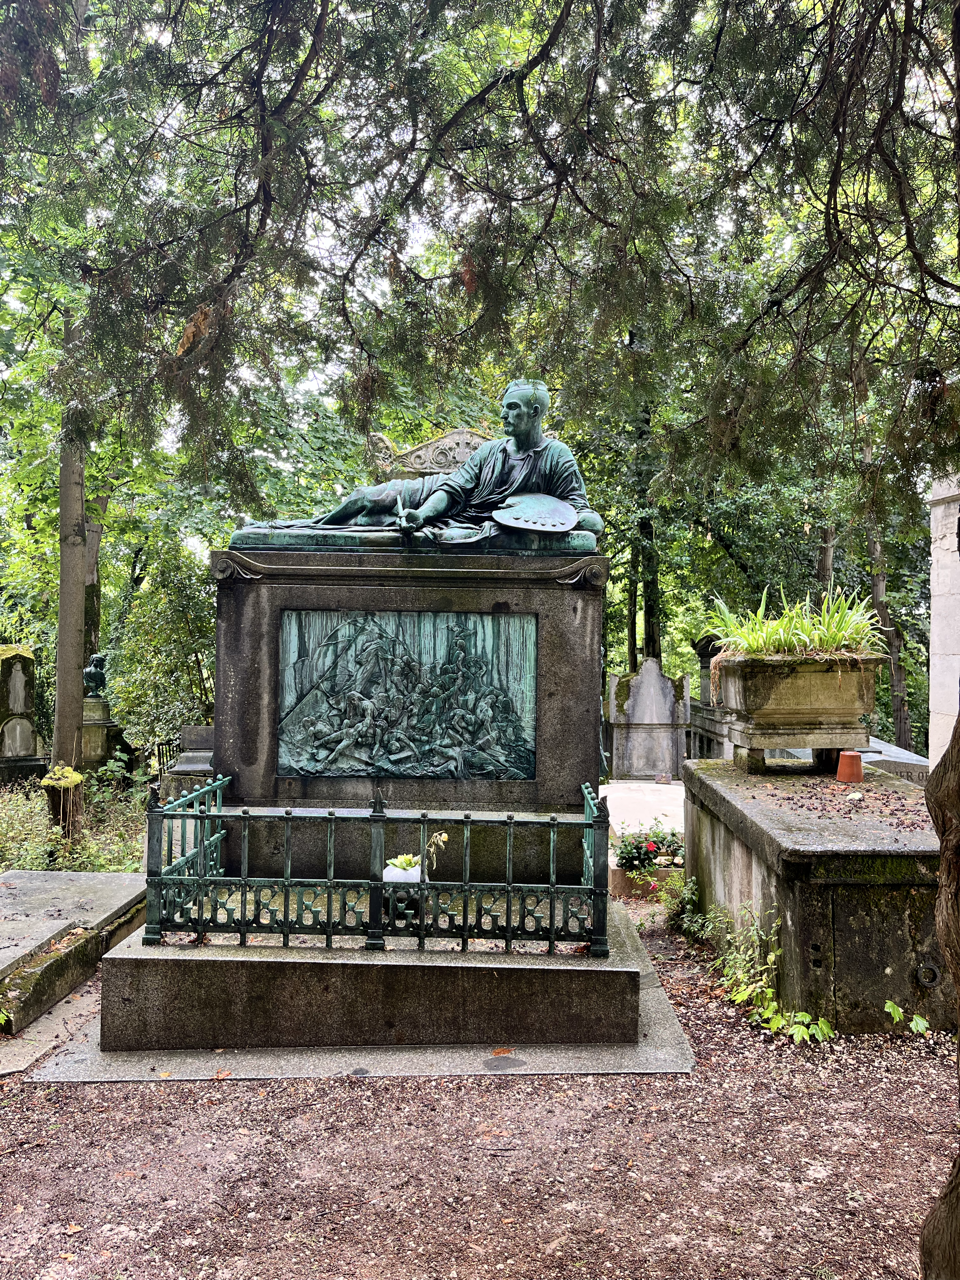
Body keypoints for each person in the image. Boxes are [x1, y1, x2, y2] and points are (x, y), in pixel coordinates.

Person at [261, 380, 604, 539]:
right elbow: (452, 489)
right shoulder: (491, 451)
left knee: (368, 523)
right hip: (434, 495)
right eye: (503, 407)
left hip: (469, 519)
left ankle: (297, 535)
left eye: (512, 408)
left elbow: (585, 516)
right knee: (363, 497)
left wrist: (556, 519)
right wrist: (422, 515)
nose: (503, 415)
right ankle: (293, 529)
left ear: (535, 412)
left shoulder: (556, 457)